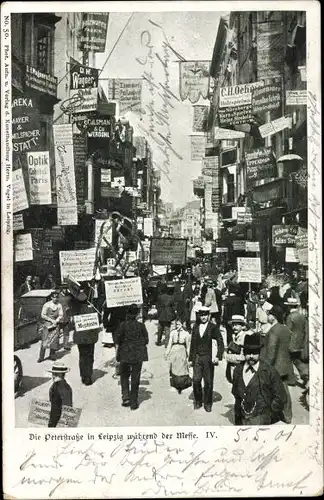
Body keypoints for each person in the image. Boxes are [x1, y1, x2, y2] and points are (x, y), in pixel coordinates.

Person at [232, 333, 287, 425]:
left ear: (259, 352)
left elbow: (280, 397)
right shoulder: (238, 370)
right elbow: (236, 393)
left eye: (255, 352)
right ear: (244, 353)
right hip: (242, 419)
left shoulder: (269, 371)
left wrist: (269, 414)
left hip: (263, 419)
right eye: (248, 352)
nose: (251, 356)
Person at [261, 305, 293, 423]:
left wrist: (265, 368)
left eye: (269, 314)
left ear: (273, 317)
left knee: (275, 392)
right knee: (285, 391)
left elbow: (271, 352)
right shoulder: (285, 329)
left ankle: (279, 415)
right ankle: (287, 415)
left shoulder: (273, 331)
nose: (268, 316)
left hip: (275, 367)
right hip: (285, 366)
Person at [189, 306, 224, 412]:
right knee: (196, 380)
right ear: (199, 315)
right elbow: (193, 343)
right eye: (201, 315)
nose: (203, 317)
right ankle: (198, 401)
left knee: (208, 381)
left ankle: (208, 403)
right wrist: (191, 358)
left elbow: (220, 342)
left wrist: (218, 356)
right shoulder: (195, 327)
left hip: (208, 358)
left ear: (209, 316)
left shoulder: (213, 327)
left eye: (205, 315)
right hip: (197, 357)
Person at [114, 304, 149, 410]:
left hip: (125, 354)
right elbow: (146, 340)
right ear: (137, 314)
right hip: (138, 355)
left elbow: (117, 340)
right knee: (135, 378)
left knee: (124, 376)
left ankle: (126, 397)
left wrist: (117, 353)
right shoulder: (141, 326)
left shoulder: (122, 325)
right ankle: (134, 402)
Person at [71, 289, 100, 385]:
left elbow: (72, 323)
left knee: (82, 356)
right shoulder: (91, 308)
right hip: (90, 337)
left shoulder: (75, 310)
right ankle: (88, 377)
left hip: (80, 337)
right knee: (89, 356)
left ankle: (83, 376)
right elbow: (97, 322)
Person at [285, 297, 308, 387]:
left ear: (289, 307)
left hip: (291, 343)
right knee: (297, 360)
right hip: (300, 342)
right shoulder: (301, 316)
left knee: (290, 360)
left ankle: (292, 379)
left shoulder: (290, 317)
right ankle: (304, 374)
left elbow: (288, 330)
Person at [165, 317, 191, 394]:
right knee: (173, 368)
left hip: (182, 352)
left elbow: (188, 346)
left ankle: (183, 386)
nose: (177, 326)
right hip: (174, 351)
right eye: (176, 324)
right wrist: (167, 353)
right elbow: (169, 343)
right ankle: (174, 385)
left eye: (179, 324)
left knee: (182, 369)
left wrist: (189, 356)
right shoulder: (173, 332)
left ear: (183, 324)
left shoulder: (186, 334)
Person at [225, 315, 253, 384]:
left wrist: (228, 357)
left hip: (241, 371)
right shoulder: (235, 336)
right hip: (234, 371)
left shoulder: (245, 337)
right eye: (233, 325)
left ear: (242, 326)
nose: (234, 327)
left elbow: (244, 357)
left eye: (237, 325)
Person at [38, 290, 63, 363]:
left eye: (57, 297)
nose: (56, 299)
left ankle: (52, 355)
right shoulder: (47, 305)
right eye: (54, 297)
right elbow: (43, 315)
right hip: (47, 323)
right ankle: (41, 357)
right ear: (51, 298)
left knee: (54, 340)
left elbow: (61, 315)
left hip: (55, 323)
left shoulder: (59, 305)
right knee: (45, 340)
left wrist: (57, 320)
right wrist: (51, 320)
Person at [48, 362, 73, 428]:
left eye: (55, 374)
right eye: (53, 374)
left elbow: (68, 407)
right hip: (54, 416)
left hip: (59, 420)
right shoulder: (55, 385)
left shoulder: (64, 388)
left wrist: (65, 421)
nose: (53, 376)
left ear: (61, 374)